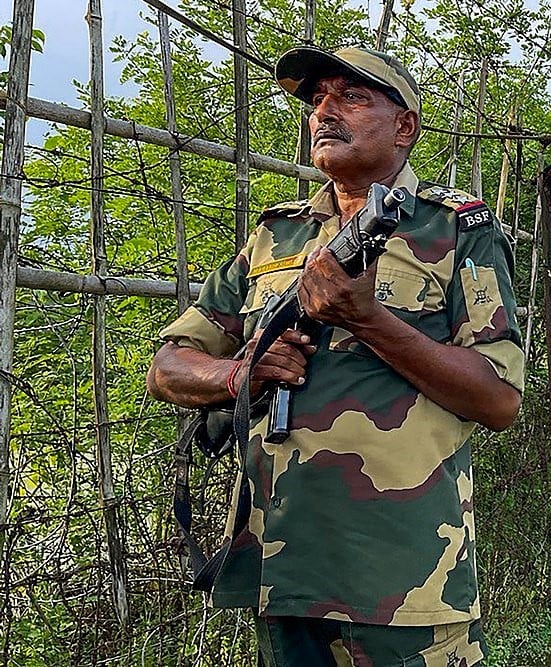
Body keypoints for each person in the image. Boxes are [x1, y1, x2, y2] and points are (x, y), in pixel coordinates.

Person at [146, 46, 524, 667]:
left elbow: (498, 398)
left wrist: (368, 319)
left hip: (404, 576)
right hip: (281, 569)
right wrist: (240, 373)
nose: (324, 111)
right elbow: (169, 363)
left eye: (352, 96)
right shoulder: (277, 234)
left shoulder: (454, 229)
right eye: (317, 98)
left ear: (404, 126)